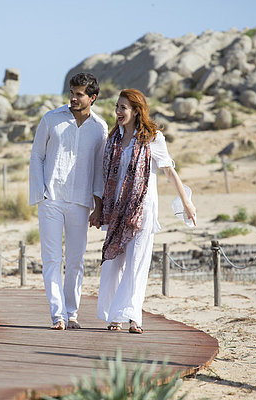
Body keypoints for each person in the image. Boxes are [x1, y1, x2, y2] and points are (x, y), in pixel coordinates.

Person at [92, 88, 196, 334]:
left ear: (137, 111)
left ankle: (133, 317)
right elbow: (103, 176)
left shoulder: (152, 138)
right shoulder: (113, 140)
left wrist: (187, 203)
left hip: (142, 210)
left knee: (137, 263)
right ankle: (113, 315)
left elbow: (169, 172)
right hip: (117, 211)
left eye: (123, 108)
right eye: (117, 107)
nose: (118, 112)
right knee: (112, 264)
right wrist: (98, 208)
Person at [29, 72, 108, 330]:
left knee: (75, 259)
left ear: (92, 98)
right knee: (51, 258)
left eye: (79, 94)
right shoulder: (51, 119)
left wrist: (98, 205)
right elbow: (37, 156)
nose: (73, 98)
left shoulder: (100, 127)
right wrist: (40, 192)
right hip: (51, 198)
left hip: (80, 201)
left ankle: (72, 312)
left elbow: (99, 168)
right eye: (71, 93)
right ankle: (58, 315)